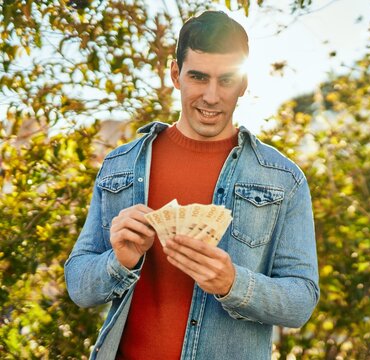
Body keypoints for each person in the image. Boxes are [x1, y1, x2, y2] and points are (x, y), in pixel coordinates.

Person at [64, 10, 319, 360]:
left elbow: (302, 300)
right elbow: (79, 285)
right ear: (175, 74)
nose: (212, 96)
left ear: (244, 83)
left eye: (226, 80)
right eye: (198, 77)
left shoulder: (282, 179)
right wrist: (118, 261)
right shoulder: (119, 165)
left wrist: (234, 284)